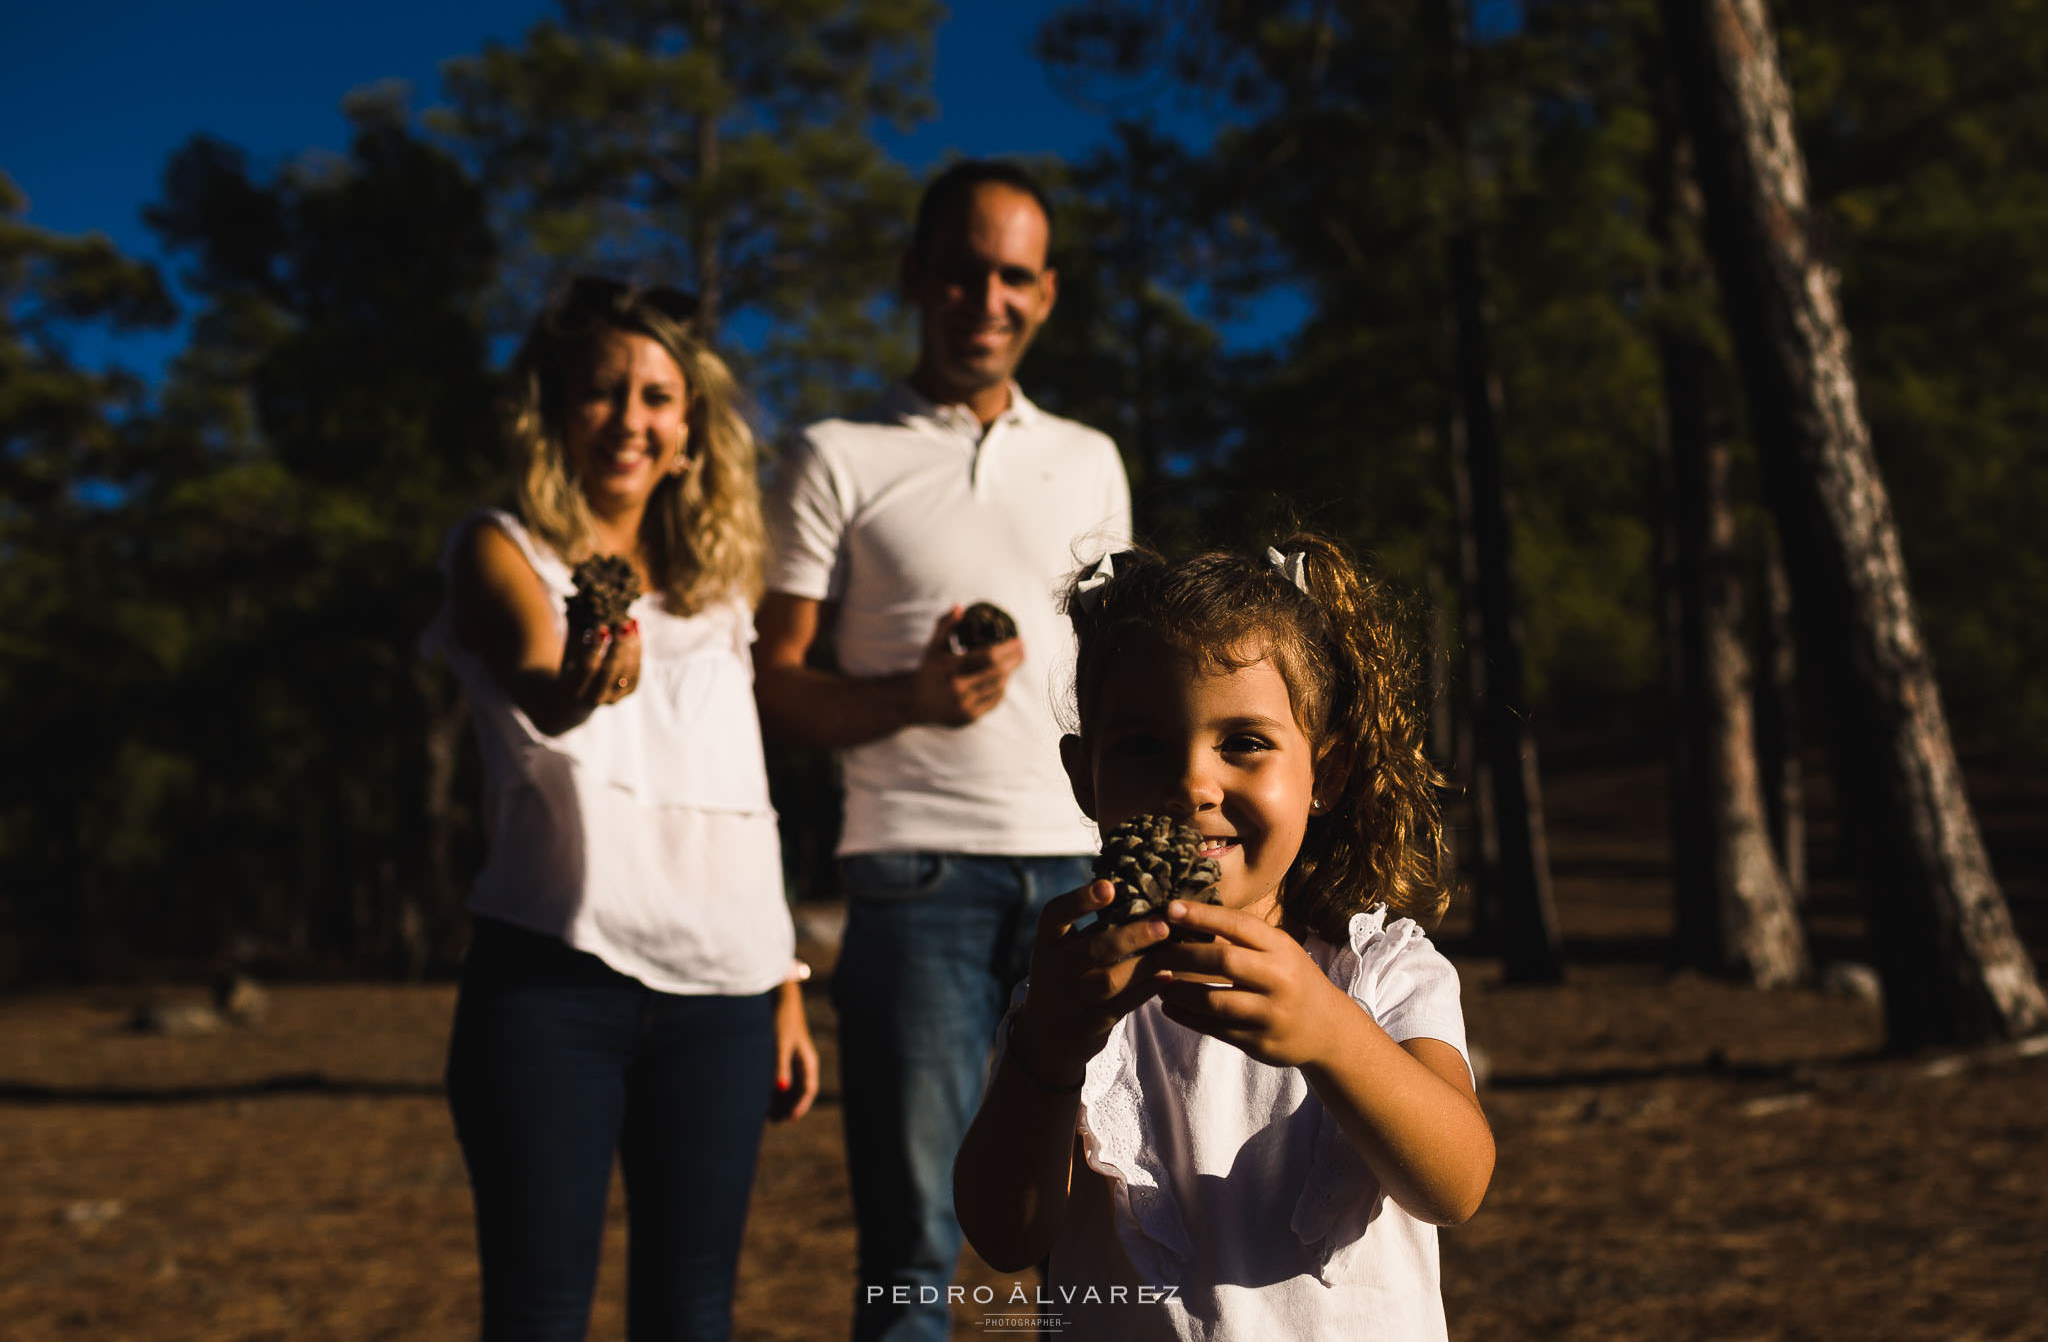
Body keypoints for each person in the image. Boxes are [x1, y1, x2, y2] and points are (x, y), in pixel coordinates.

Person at [755, 159, 1132, 1341]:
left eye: (1014, 276)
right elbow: (771, 689)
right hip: (911, 880)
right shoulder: (832, 456)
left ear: (1047, 293)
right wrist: (914, 695)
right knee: (912, 1238)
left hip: (1080, 874)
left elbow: (1122, 682)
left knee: (1111, 1213)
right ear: (914, 277)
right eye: (962, 272)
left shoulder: (1091, 459)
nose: (987, 298)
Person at [953, 534, 1496, 1341]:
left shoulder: (1379, 969)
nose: (1192, 784)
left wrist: (1333, 1035)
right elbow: (1005, 1236)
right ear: (1084, 776)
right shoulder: (1071, 994)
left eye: (1242, 742)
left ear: (1326, 773)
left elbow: (1456, 1183)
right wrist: (1049, 1052)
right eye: (1142, 746)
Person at [426, 276, 820, 1342]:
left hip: (726, 1006)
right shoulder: (499, 548)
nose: (631, 419)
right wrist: (589, 671)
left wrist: (781, 979)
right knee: (539, 1314)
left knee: (693, 1315)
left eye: (657, 396)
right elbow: (541, 681)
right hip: (552, 983)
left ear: (690, 430)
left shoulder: (719, 589)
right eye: (603, 391)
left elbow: (742, 794)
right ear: (555, 409)